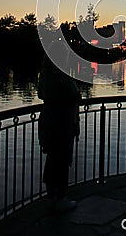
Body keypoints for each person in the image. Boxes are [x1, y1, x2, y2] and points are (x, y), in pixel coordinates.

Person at [38, 37, 81, 212]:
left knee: (52, 159)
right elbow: (74, 94)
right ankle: (61, 197)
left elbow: (41, 94)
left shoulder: (45, 73)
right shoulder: (61, 73)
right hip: (63, 122)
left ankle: (51, 197)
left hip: (49, 120)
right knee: (62, 160)